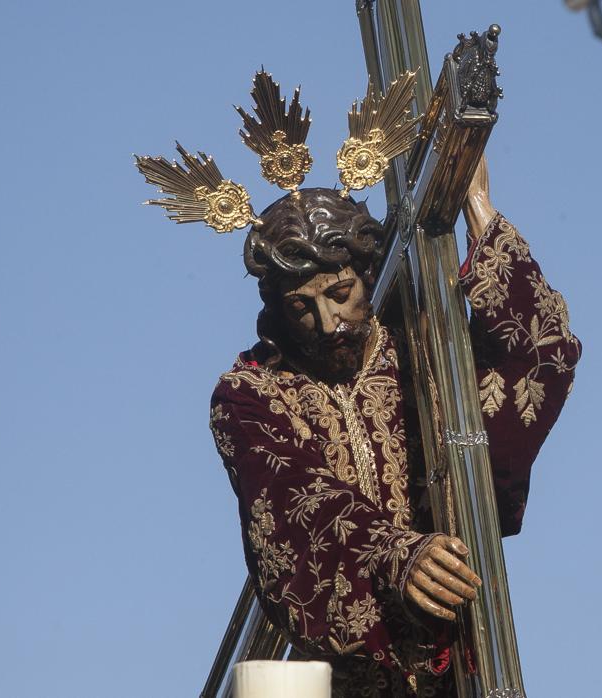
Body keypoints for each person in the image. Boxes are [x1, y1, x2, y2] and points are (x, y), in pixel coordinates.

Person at [139, 71, 579, 697]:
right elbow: (296, 507)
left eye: (340, 294)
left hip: (464, 660)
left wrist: (479, 208)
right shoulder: (252, 394)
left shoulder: (424, 352)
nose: (328, 322)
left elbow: (541, 351)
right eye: (302, 307)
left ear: (366, 274)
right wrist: (398, 558)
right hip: (351, 678)